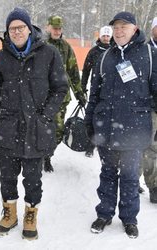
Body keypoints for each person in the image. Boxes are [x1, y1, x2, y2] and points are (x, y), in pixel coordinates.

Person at [0, 7, 68, 240]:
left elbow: (60, 88)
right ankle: (9, 213)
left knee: (33, 178)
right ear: (7, 32)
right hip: (9, 127)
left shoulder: (49, 53)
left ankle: (30, 215)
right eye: (12, 28)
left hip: (37, 129)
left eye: (21, 27)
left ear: (29, 29)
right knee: (7, 176)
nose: (17, 32)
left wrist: (46, 116)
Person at [84, 12, 157, 239]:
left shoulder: (150, 54)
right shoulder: (105, 57)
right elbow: (94, 94)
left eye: (124, 26)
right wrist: (89, 122)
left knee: (129, 177)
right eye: (115, 27)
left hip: (134, 130)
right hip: (106, 127)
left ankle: (129, 219)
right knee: (107, 173)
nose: (118, 31)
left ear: (135, 29)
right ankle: (104, 213)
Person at [45, 15, 86, 172]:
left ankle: (47, 155)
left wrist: (79, 93)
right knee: (41, 130)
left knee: (58, 131)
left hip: (61, 98)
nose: (57, 31)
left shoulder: (67, 47)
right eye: (54, 28)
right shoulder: (42, 46)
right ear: (48, 27)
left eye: (59, 28)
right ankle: (41, 156)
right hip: (43, 97)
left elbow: (73, 71)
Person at [81, 25, 113, 158]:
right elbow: (86, 70)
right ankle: (91, 144)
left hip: (111, 91)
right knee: (94, 117)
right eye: (104, 36)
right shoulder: (94, 51)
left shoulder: (114, 51)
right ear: (100, 36)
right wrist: (83, 86)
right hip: (96, 90)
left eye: (108, 36)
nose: (106, 38)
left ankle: (108, 142)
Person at [139, 17, 157, 202]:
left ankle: (153, 184)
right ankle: (135, 181)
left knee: (153, 147)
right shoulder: (145, 51)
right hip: (145, 106)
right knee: (140, 145)